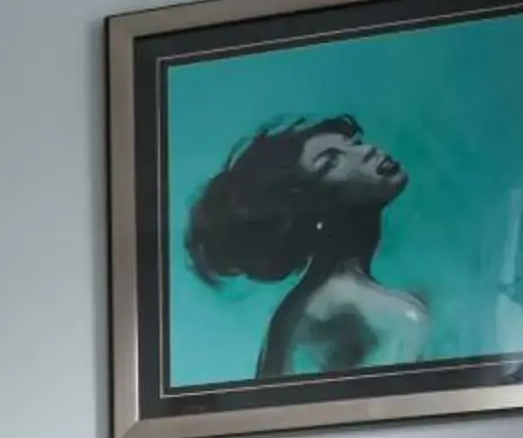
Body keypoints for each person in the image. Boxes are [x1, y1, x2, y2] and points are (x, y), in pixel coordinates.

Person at [184, 114, 430, 378]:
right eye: (330, 163)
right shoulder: (389, 317)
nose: (366, 151)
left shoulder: (298, 311)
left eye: (353, 142)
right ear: (309, 211)